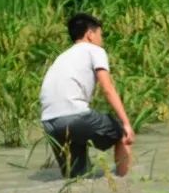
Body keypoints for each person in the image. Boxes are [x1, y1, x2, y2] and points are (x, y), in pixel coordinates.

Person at [39, 13, 134, 179]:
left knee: (76, 179)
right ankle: (123, 185)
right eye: (100, 35)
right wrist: (126, 123)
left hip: (49, 123)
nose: (101, 39)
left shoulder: (62, 57)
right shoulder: (94, 50)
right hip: (75, 116)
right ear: (90, 34)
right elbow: (107, 88)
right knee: (122, 134)